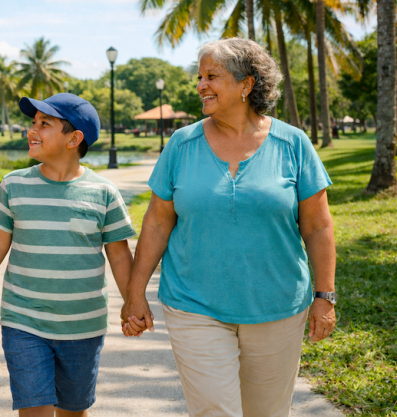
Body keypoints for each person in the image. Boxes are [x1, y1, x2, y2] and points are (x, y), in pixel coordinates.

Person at [122, 38, 337, 417]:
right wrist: (135, 294)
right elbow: (156, 223)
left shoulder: (293, 144)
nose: (200, 85)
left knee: (266, 412)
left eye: (212, 76)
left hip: (277, 304)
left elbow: (318, 227)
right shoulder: (181, 144)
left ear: (246, 84)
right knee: (215, 410)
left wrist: (325, 296)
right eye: (199, 76)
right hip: (194, 304)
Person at [0, 93, 136, 417]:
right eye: (33, 122)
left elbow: (119, 256)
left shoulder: (103, 192)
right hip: (24, 320)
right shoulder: (14, 185)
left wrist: (133, 303)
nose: (32, 130)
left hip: (83, 326)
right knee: (34, 408)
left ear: (74, 138)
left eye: (45, 123)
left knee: (73, 411)